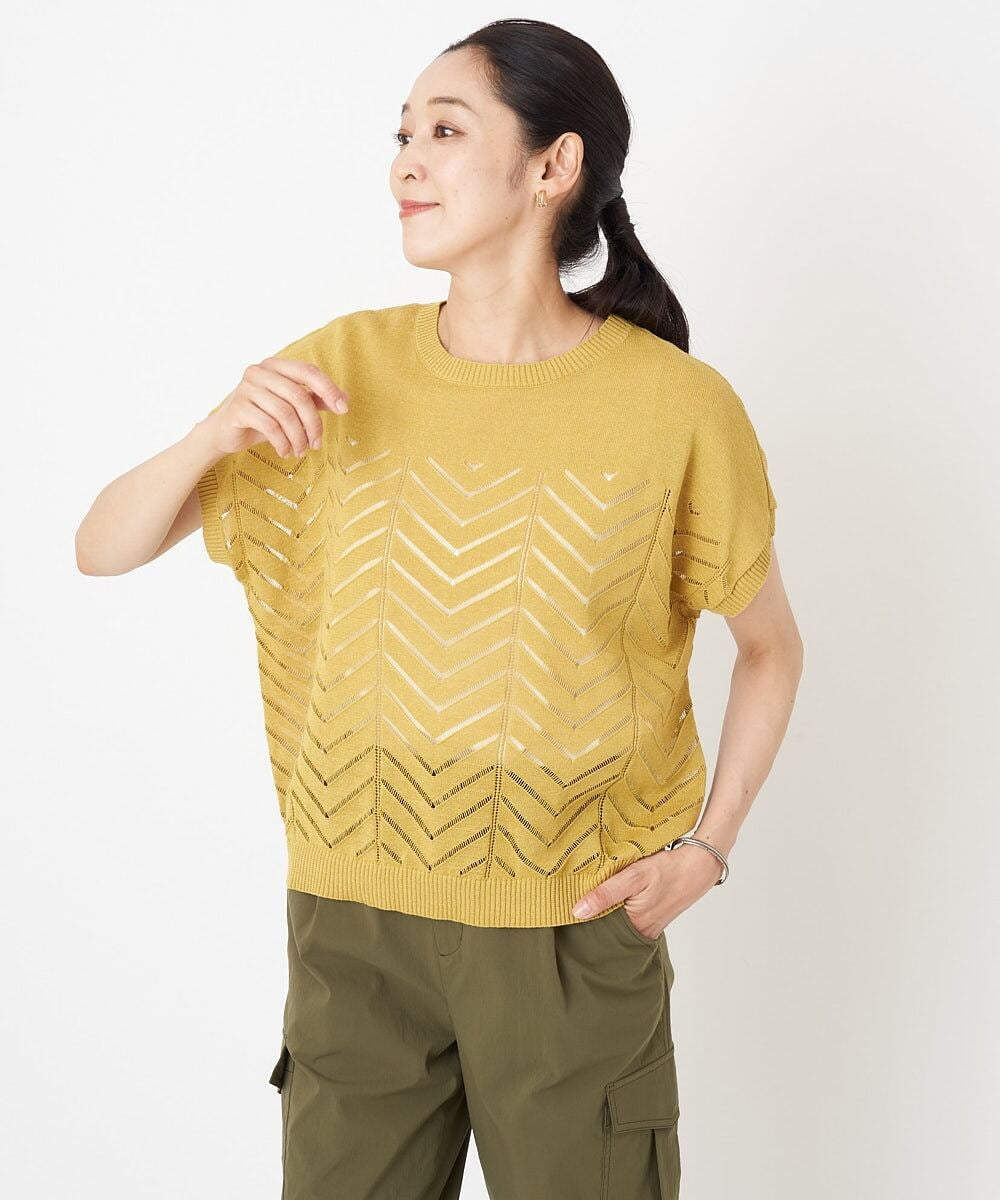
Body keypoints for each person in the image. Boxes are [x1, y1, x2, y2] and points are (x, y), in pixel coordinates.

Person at [76, 17, 803, 1199]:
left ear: (552, 166)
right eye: (402, 135)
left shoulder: (675, 407)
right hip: (350, 923)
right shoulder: (338, 369)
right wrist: (215, 430)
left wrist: (706, 850)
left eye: (446, 132)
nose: (405, 164)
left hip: (570, 930)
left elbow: (769, 648)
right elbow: (101, 548)